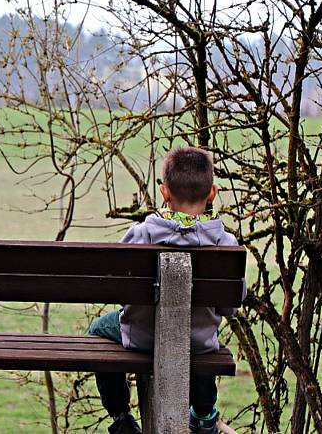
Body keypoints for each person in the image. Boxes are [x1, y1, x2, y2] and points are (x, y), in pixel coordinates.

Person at [88, 146, 238, 434]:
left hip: (140, 336)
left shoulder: (141, 235)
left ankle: (121, 417)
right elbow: (229, 307)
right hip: (199, 340)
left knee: (98, 329)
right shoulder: (226, 245)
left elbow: (118, 290)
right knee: (205, 346)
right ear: (212, 193)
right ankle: (204, 416)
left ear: (164, 192)